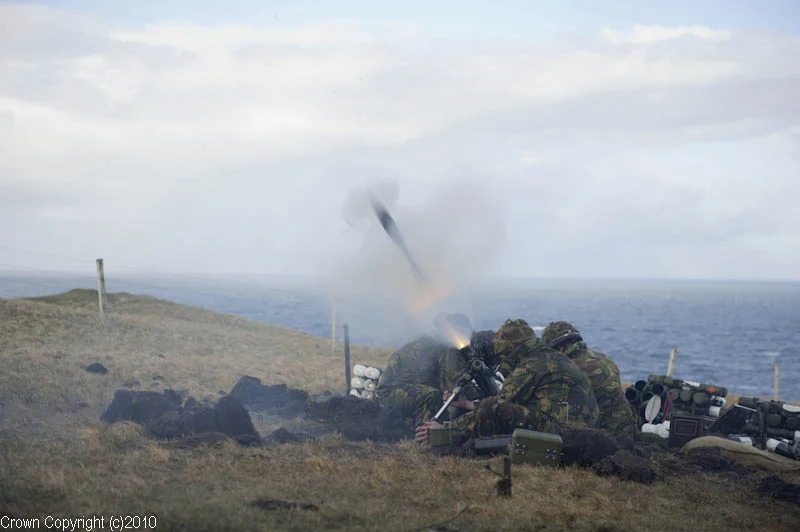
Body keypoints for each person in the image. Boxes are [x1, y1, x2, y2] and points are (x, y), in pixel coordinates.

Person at [416, 318, 600, 446]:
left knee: (496, 408)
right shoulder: (551, 357)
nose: (503, 359)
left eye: (504, 354)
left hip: (561, 434)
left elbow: (497, 407)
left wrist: (447, 429)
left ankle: (443, 436)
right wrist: (468, 404)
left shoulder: (529, 367)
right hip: (582, 433)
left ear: (513, 350)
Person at [376, 313, 493, 433]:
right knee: (432, 396)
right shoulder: (448, 347)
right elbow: (454, 382)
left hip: (407, 390)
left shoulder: (439, 340)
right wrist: (485, 401)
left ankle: (412, 426)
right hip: (390, 391)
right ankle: (426, 435)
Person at [541, 321, 637, 437]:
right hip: (628, 425)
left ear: (558, 347)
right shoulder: (603, 357)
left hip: (607, 434)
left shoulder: (570, 368)